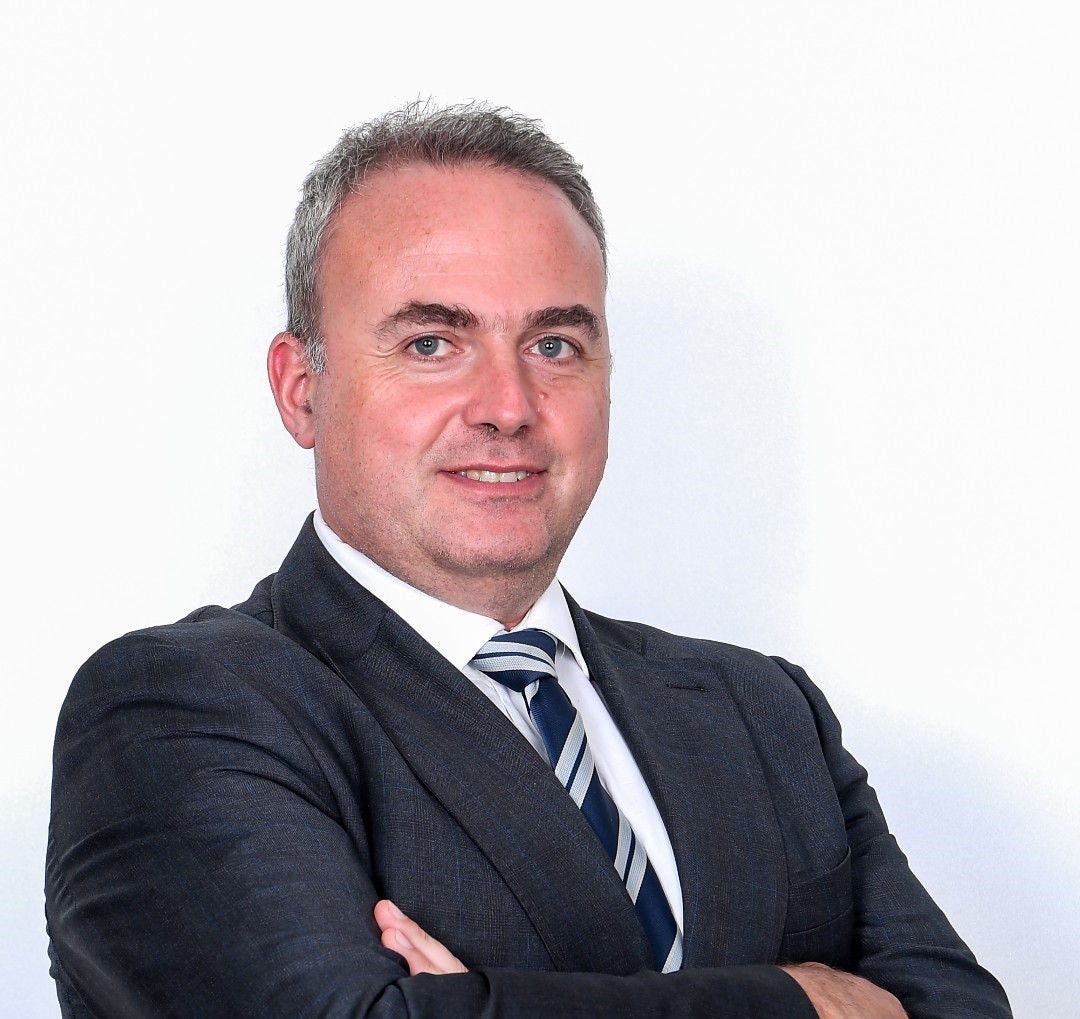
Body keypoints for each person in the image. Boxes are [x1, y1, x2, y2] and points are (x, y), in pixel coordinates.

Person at [45, 102, 1011, 1018]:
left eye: (554, 344)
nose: (508, 406)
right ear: (302, 389)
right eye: (432, 342)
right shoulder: (178, 710)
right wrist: (799, 1000)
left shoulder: (763, 712)